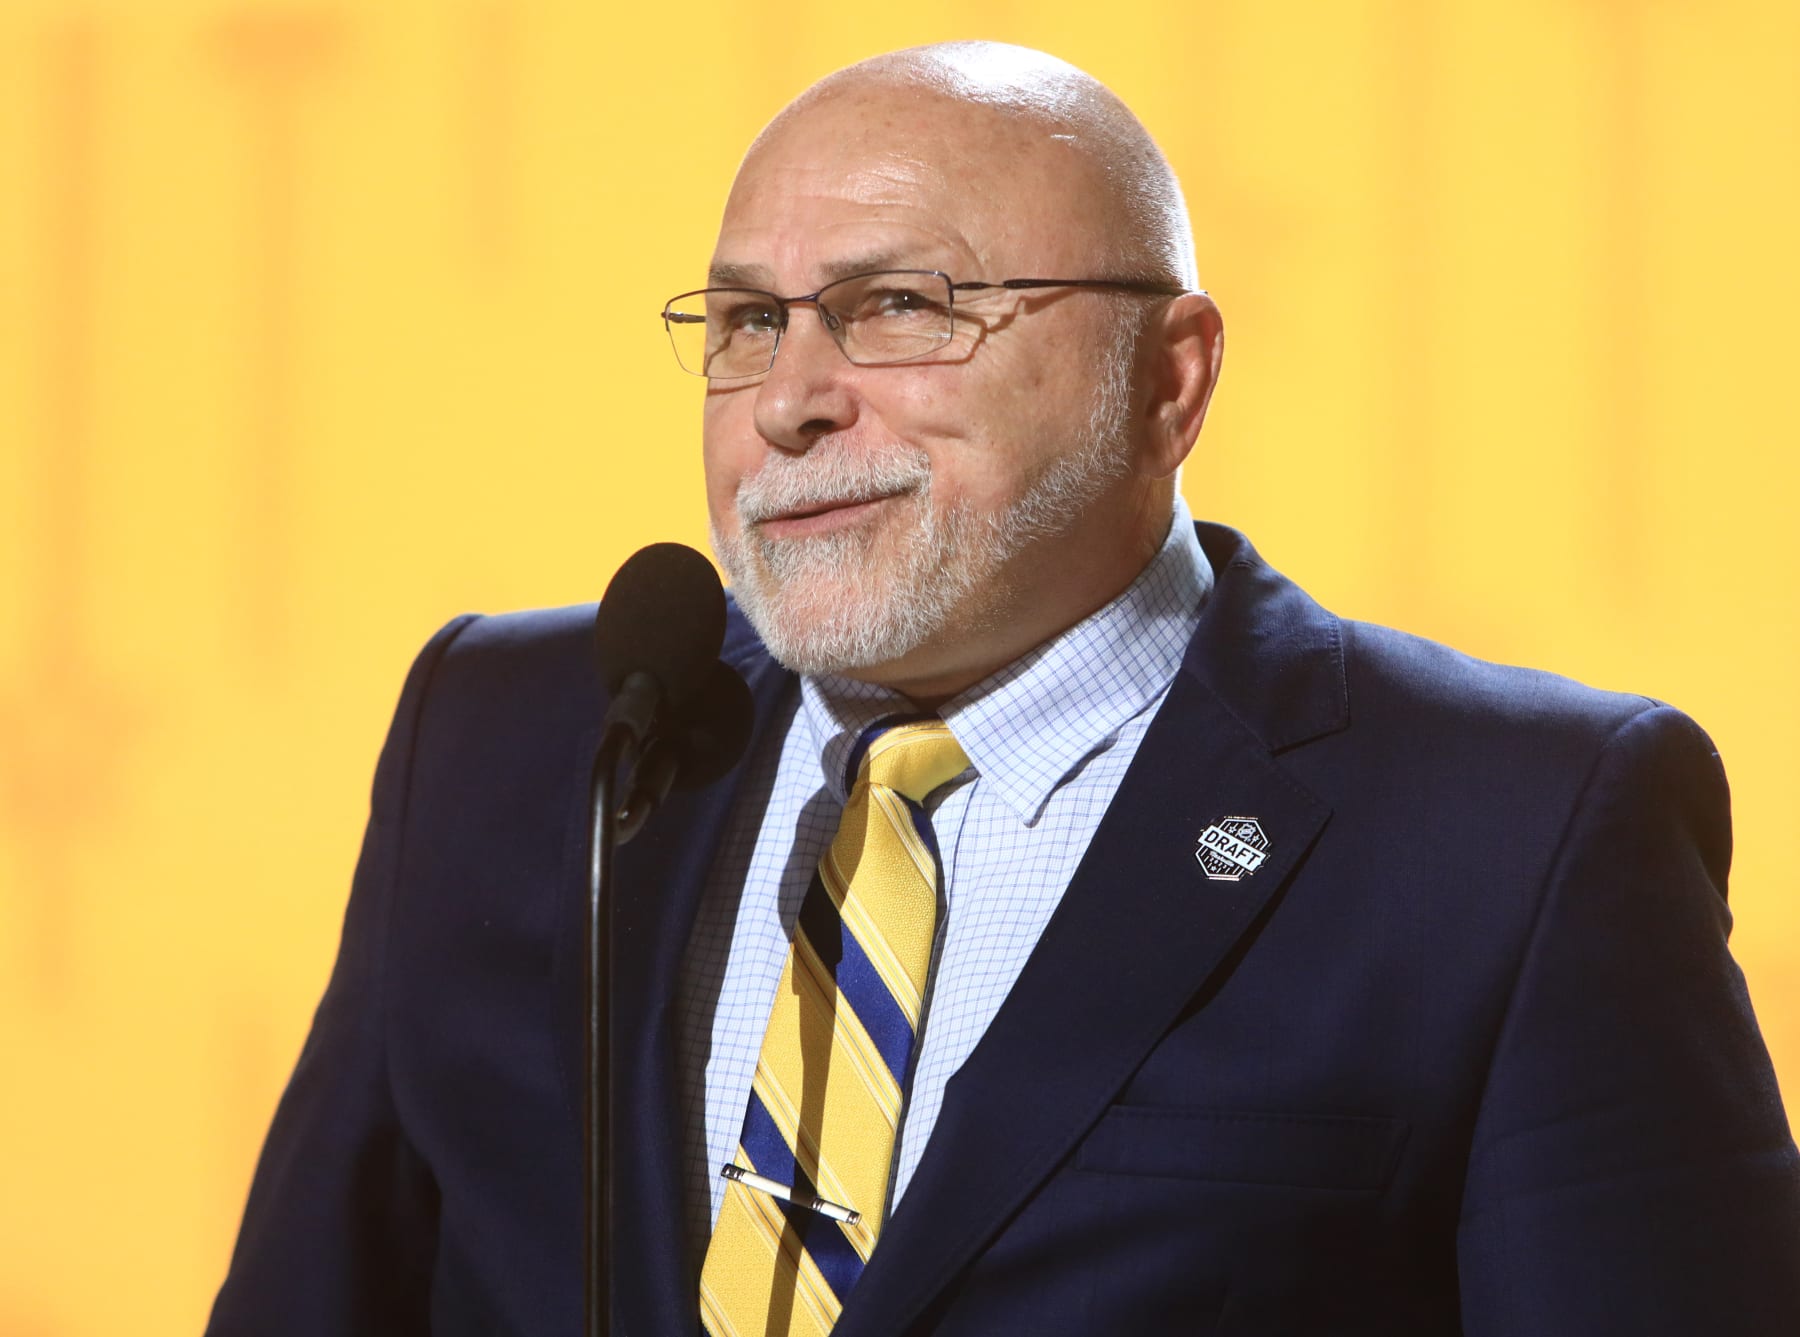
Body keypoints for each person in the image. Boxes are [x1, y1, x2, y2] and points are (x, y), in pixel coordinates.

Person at [207, 41, 1800, 1337]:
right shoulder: (517, 738)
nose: (790, 402)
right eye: (751, 322)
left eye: (901, 307)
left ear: (1168, 380)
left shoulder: (1515, 836)